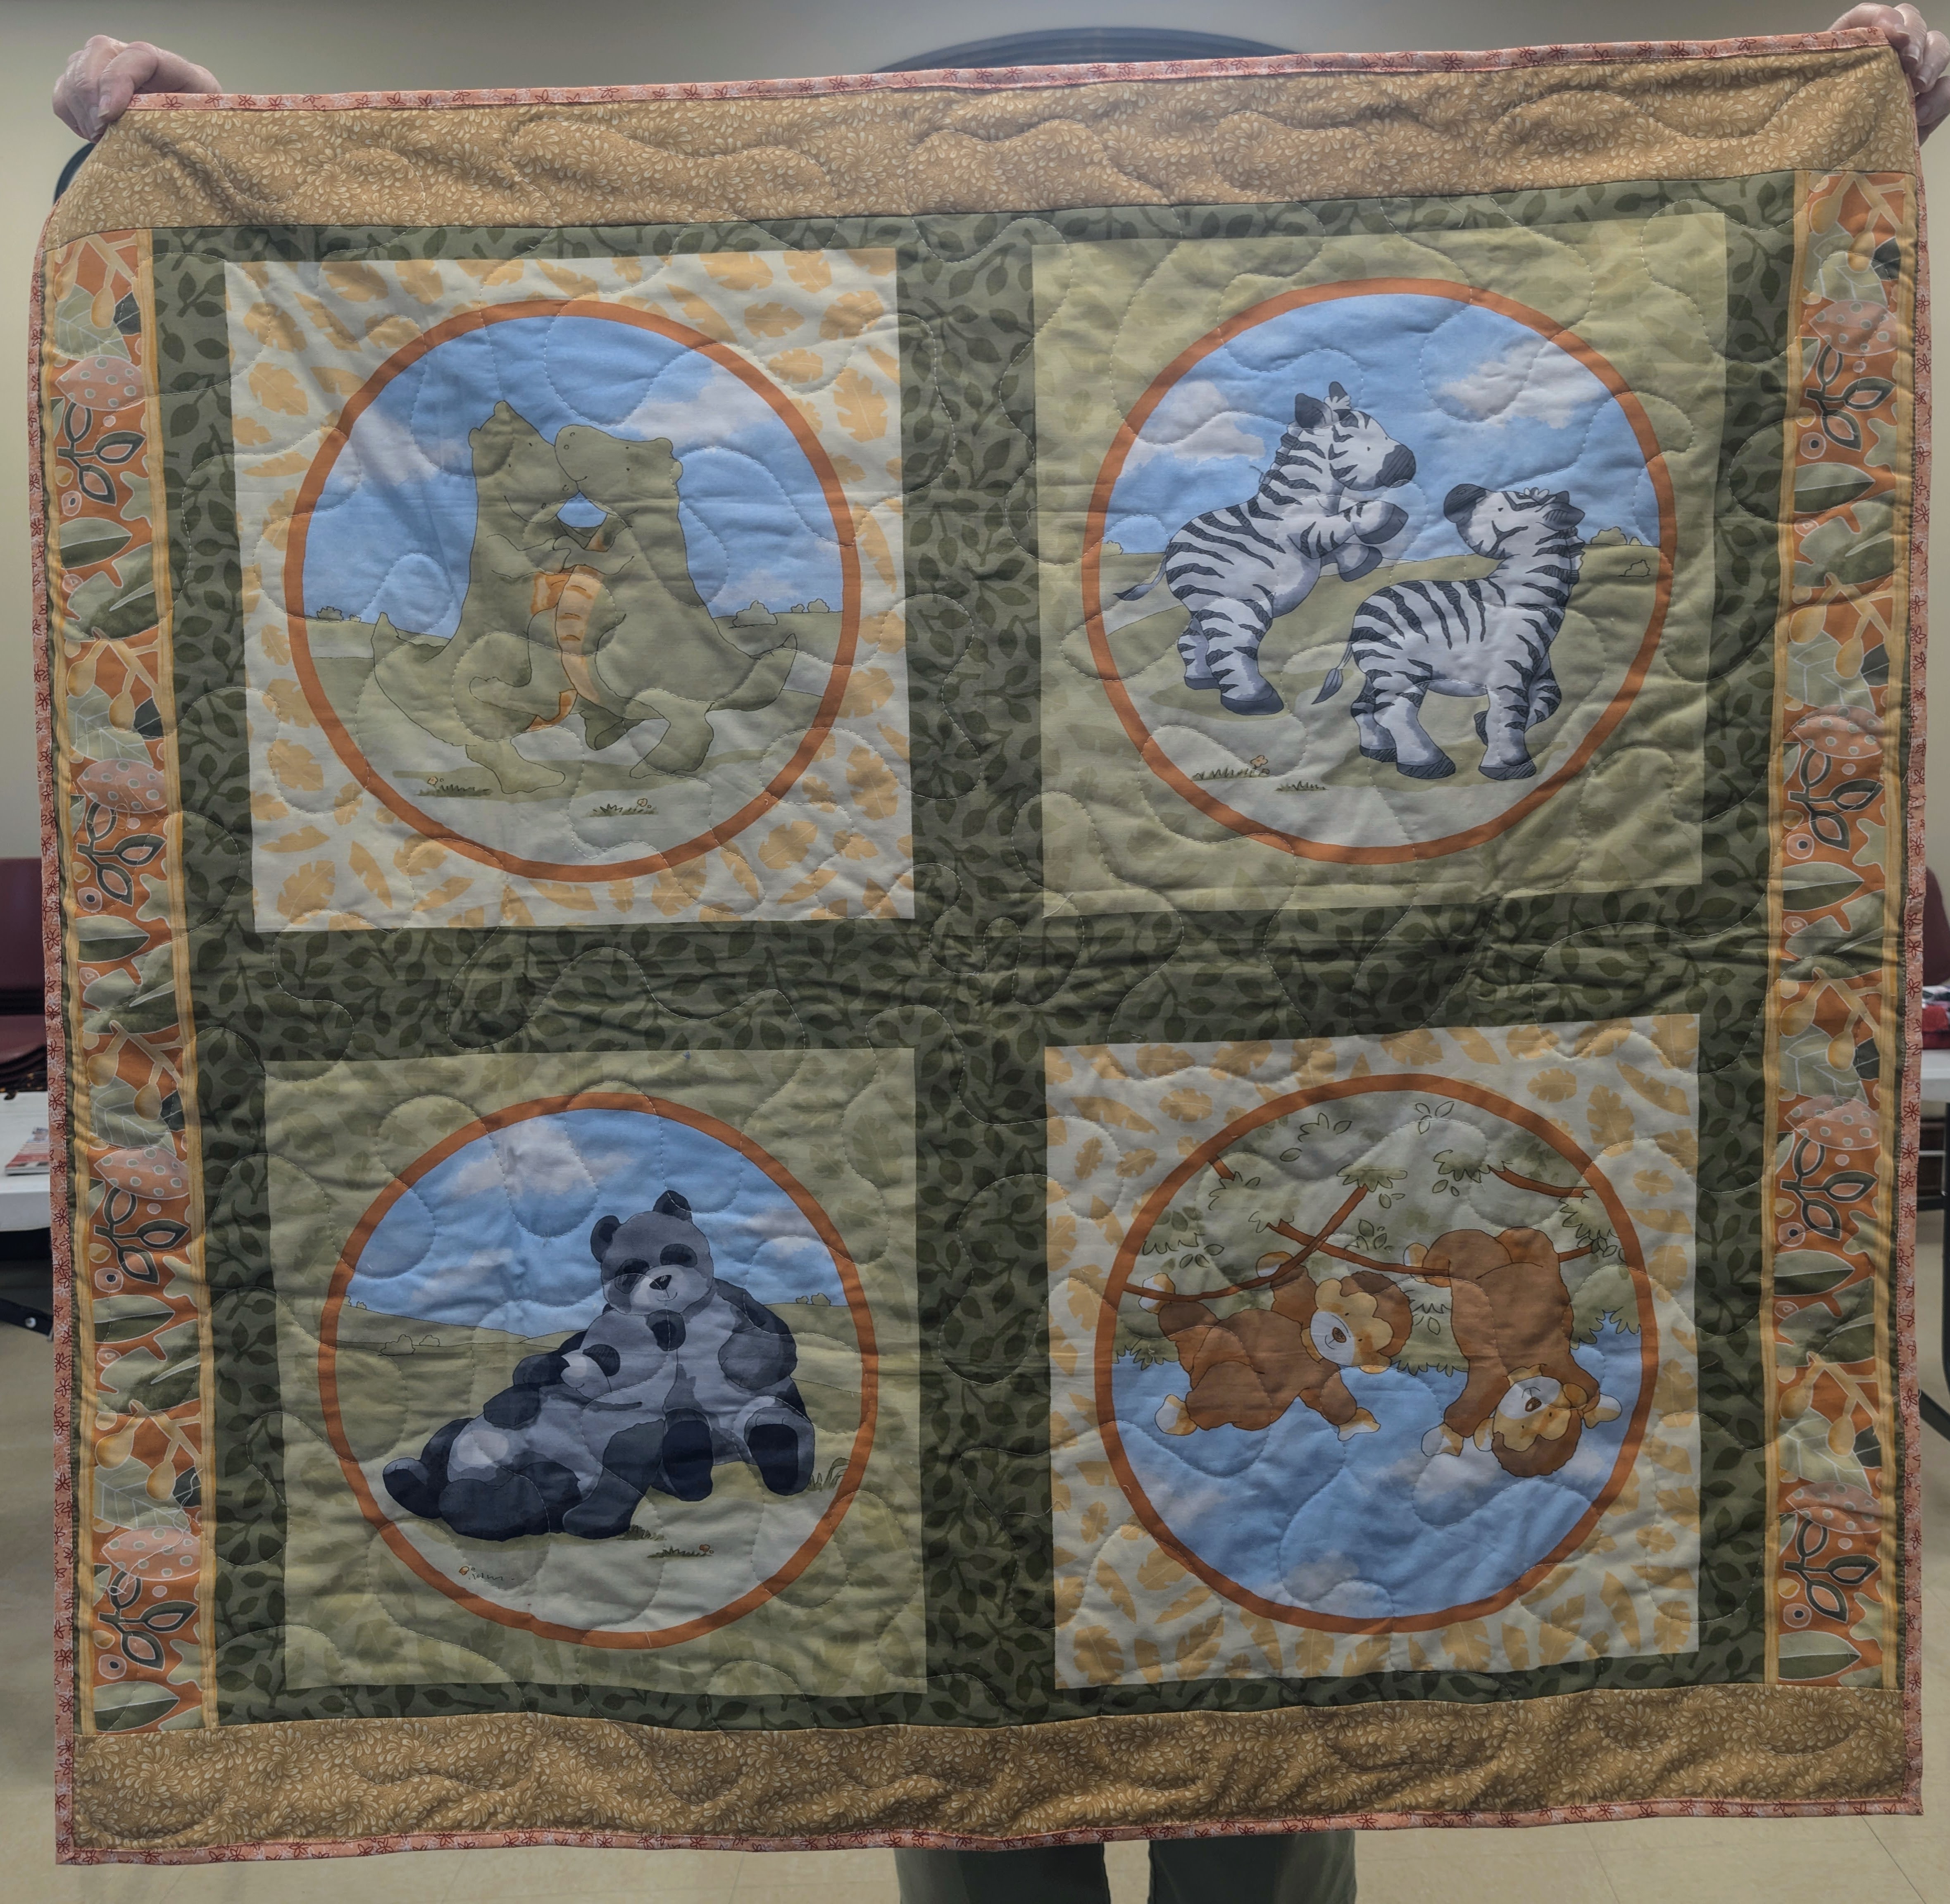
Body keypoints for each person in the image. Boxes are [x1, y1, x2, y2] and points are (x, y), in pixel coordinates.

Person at [43, 9, 1949, 1903]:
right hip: (929, 1181)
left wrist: (1852, 123)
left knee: (1265, 1730)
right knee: (965, 1764)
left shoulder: (1280, 146)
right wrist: (206, 165)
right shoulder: (844, 243)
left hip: (1254, 1041)